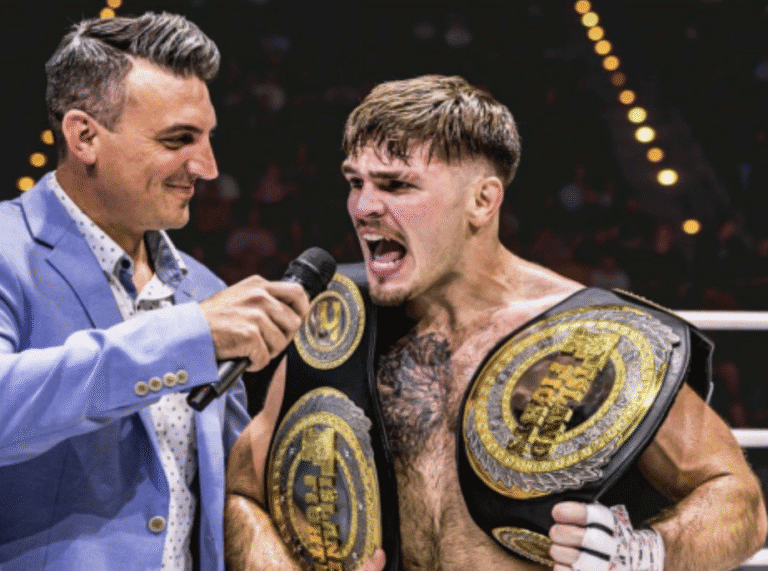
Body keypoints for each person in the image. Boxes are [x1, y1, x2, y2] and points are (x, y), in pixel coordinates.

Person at [224, 75, 767, 571]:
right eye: (355, 181)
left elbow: (739, 501)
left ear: (482, 202)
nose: (363, 206)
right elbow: (244, 492)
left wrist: (645, 552)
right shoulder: (338, 324)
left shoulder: (596, 338)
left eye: (395, 185)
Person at [0, 12, 310, 571]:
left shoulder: (203, 290)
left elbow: (232, 491)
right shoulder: (6, 248)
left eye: (208, 137)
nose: (208, 167)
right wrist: (183, 338)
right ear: (84, 136)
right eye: (178, 140)